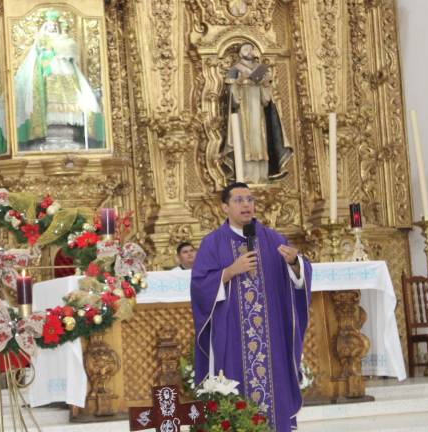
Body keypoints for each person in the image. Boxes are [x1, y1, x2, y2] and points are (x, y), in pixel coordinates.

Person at [190, 182, 311, 432]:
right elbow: (200, 286)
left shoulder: (273, 239)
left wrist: (295, 263)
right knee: (236, 397)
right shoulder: (213, 243)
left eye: (250, 199)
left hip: (271, 337)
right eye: (238, 200)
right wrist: (229, 271)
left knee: (274, 396)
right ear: (224, 207)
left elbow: (299, 276)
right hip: (232, 337)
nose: (246, 204)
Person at [0, 9, 105, 153]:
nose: (52, 28)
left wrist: (63, 45)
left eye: (54, 25)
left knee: (75, 99)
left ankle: (68, 130)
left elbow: (71, 52)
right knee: (45, 99)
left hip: (65, 73)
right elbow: (39, 50)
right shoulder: (42, 39)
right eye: (49, 25)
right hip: (47, 72)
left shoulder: (64, 39)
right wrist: (49, 54)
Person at [225, 43, 292, 184]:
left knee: (260, 141)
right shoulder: (235, 69)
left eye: (250, 49)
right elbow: (232, 97)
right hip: (243, 112)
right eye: (245, 49)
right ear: (240, 53)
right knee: (245, 141)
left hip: (258, 112)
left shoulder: (260, 69)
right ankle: (246, 174)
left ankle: (262, 174)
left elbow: (266, 99)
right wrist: (238, 83)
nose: (249, 52)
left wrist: (266, 85)